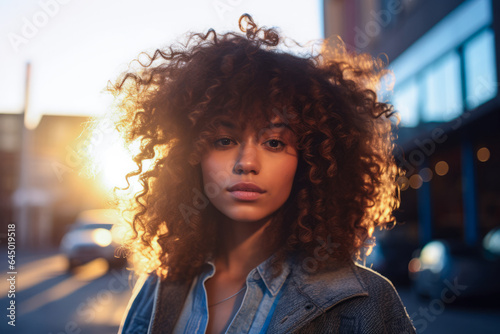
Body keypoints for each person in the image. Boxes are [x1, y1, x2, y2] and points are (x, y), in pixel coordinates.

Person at [112, 14, 416, 334]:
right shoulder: (159, 287)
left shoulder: (365, 302)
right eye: (224, 140)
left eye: (274, 142)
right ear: (191, 155)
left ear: (311, 161)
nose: (246, 162)